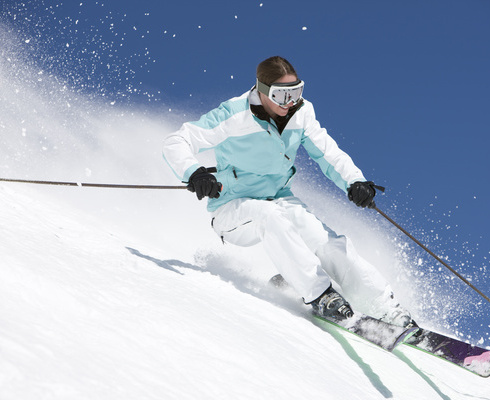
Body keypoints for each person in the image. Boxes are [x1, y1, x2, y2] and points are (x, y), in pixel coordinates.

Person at [163, 56, 411, 326]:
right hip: (232, 209)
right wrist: (194, 173)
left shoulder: (301, 113)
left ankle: (387, 308)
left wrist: (354, 181)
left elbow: (327, 152)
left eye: (296, 92)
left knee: (327, 243)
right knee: (267, 215)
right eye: (282, 95)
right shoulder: (234, 115)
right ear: (262, 90)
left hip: (281, 200)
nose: (290, 101)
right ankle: (320, 295)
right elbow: (177, 141)